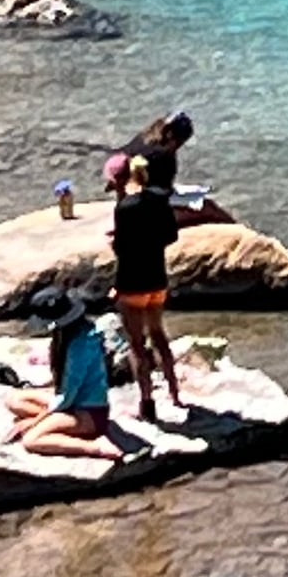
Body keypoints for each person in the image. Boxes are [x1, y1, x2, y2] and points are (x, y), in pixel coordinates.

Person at [107, 148, 186, 421]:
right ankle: (175, 394)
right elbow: (171, 236)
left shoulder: (124, 209)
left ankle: (147, 403)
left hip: (132, 282)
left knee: (137, 344)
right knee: (159, 335)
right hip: (157, 278)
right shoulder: (160, 201)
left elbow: (121, 249)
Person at [4, 286, 124, 463]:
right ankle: (55, 422)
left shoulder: (81, 345)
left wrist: (34, 422)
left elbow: (67, 397)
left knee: (31, 440)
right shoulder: (67, 334)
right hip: (71, 403)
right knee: (13, 399)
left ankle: (96, 447)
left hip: (88, 412)